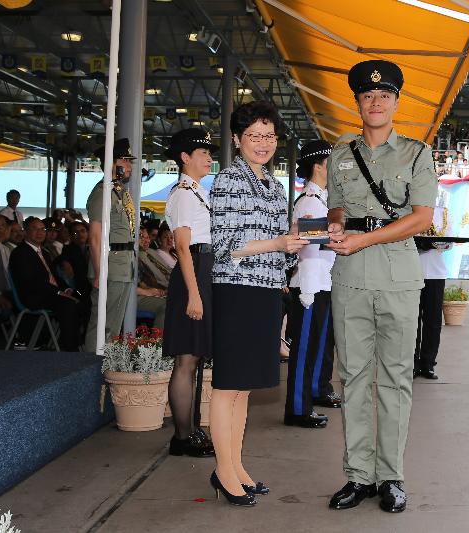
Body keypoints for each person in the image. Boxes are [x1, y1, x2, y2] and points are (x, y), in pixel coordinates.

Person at [325, 59, 437, 514]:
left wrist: (363, 239)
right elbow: (335, 209)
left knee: (394, 379)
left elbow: (422, 217)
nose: (375, 102)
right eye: (367, 96)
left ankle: (391, 476)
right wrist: (334, 230)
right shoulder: (339, 154)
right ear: (357, 103)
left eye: (384, 96)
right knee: (352, 378)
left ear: (395, 102)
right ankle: (358, 476)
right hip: (350, 278)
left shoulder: (416, 153)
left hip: (397, 277)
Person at [209, 100, 308, 506]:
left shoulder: (274, 185)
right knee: (227, 385)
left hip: (267, 291)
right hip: (236, 291)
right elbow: (224, 246)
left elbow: (280, 255)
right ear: (237, 139)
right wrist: (276, 242)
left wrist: (295, 240)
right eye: (254, 136)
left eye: (269, 136)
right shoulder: (227, 181)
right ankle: (223, 470)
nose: (263, 143)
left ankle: (236, 465)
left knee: (244, 387)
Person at [161, 128, 219, 458]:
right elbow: (183, 248)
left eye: (210, 152)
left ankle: (190, 430)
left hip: (201, 270)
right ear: (185, 158)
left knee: (193, 358)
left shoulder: (197, 192)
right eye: (202, 152)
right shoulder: (183, 193)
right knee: (186, 360)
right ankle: (182, 436)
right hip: (192, 273)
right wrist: (194, 296)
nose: (209, 157)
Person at [284, 140, 340, 429]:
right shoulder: (309, 201)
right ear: (317, 166)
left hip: (322, 281)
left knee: (319, 344)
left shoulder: (321, 200)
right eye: (331, 164)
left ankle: (313, 393)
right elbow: (307, 248)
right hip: (309, 283)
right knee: (304, 349)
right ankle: (297, 409)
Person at [83, 138, 137, 352]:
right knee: (101, 326)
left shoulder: (119, 192)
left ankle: (104, 370)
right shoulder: (102, 193)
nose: (131, 166)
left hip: (122, 266)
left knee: (112, 327)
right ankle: (90, 371)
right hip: (109, 266)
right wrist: (99, 273)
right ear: (114, 163)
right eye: (126, 160)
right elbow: (95, 237)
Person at [9, 217, 87, 352]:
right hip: (34, 295)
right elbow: (32, 281)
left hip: (50, 293)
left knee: (84, 298)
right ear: (26, 232)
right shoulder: (20, 253)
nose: (40, 232)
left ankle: (81, 341)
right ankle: (70, 349)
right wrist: (58, 292)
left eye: (42, 229)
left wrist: (67, 289)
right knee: (68, 304)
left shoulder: (44, 252)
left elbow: (55, 277)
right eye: (35, 229)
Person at [414, 205, 452, 380]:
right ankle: (412, 364)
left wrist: (435, 244)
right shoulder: (411, 209)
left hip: (436, 273)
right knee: (412, 321)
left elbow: (450, 242)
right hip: (412, 273)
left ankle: (428, 364)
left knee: (433, 321)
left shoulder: (442, 212)